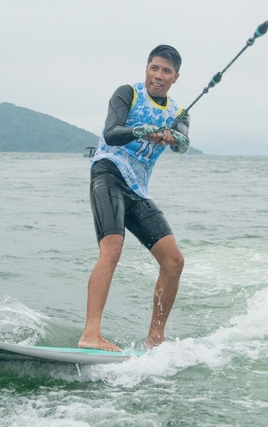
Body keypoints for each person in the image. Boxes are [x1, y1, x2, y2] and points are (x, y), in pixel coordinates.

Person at [78, 45, 191, 352]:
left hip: (137, 190)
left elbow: (183, 143)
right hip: (109, 172)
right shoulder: (127, 93)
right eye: (154, 68)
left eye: (166, 71)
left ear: (175, 77)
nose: (158, 76)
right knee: (112, 249)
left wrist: (172, 135)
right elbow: (112, 132)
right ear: (146, 69)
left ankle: (155, 338)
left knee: (174, 261)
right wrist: (144, 130)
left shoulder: (178, 113)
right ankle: (90, 334)